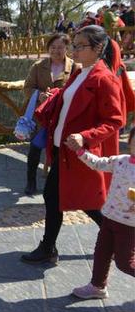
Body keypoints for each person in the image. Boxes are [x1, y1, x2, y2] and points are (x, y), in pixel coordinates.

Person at [21, 25, 127, 264]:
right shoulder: (80, 73)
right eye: (75, 45)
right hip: (63, 148)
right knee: (59, 197)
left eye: (80, 46)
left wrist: (86, 137)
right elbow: (68, 102)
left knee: (81, 200)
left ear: (98, 48)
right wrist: (53, 98)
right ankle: (49, 247)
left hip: (78, 151)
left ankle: (121, 237)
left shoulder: (105, 78)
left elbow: (115, 119)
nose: (74, 50)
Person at [66, 128, 135, 299]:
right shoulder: (120, 161)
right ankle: (97, 286)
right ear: (130, 142)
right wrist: (80, 151)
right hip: (109, 217)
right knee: (102, 252)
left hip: (129, 225)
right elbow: (97, 163)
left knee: (125, 263)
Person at [22, 33, 79, 195]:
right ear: (48, 49)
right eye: (53, 47)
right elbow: (27, 88)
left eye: (60, 47)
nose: (56, 50)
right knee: (35, 148)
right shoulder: (38, 66)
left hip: (62, 116)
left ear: (67, 48)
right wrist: (39, 95)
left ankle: (56, 185)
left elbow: (79, 91)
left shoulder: (75, 67)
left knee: (57, 151)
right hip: (41, 117)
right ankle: (30, 182)